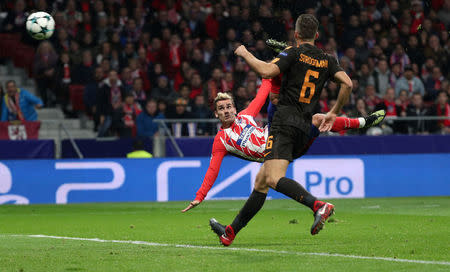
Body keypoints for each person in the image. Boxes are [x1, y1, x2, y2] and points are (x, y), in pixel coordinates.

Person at [206, 14, 357, 246]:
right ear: (317, 36)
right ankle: (230, 232)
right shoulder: (328, 59)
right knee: (262, 181)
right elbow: (347, 83)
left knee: (274, 178)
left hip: (283, 124)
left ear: (296, 35)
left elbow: (266, 72)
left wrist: (245, 53)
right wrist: (334, 110)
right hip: (303, 127)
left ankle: (318, 205)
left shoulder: (293, 53)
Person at [182, 80, 384, 213]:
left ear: (234, 108)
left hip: (281, 135)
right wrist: (200, 196)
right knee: (313, 120)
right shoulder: (221, 140)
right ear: (216, 115)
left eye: (228, 107)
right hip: (275, 152)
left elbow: (262, 93)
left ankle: (361, 123)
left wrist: (271, 72)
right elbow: (213, 169)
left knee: (316, 118)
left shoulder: (245, 115)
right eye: (221, 109)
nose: (226, 111)